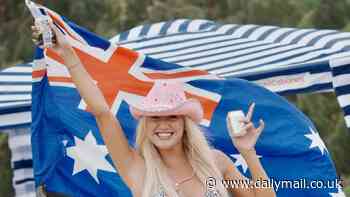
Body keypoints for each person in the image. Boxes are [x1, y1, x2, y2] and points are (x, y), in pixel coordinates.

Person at [31, 22, 277, 197]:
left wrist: (248, 153)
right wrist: (68, 54)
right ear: (145, 125)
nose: (163, 125)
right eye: (155, 118)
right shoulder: (137, 168)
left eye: (171, 117)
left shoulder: (215, 164)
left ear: (184, 124)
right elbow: (102, 112)